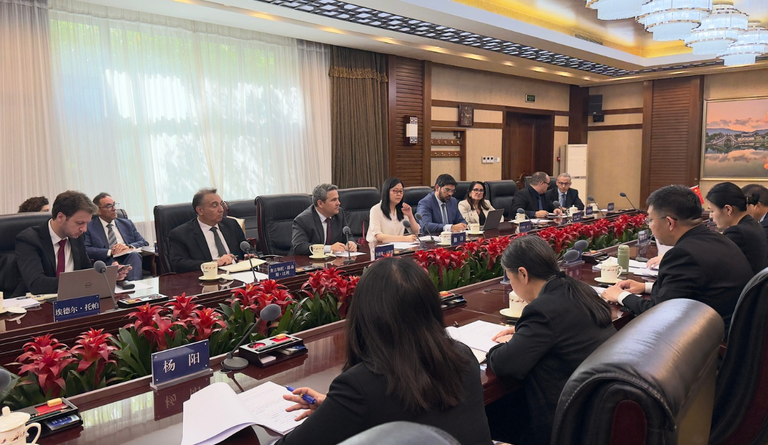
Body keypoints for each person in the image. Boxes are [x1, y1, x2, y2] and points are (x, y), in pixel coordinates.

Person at [276, 257, 493, 445]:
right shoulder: (463, 355)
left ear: (364, 315)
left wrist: (343, 407)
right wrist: (335, 408)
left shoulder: (360, 385)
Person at [485, 235, 615, 445]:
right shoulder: (579, 289)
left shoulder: (542, 310)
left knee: (494, 414)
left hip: (566, 424)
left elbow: (505, 364)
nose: (512, 287)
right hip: (597, 411)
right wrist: (524, 331)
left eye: (510, 280)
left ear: (523, 274)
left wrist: (500, 346)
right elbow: (562, 327)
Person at [603, 185, 753, 332]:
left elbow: (660, 314)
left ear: (669, 222)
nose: (649, 226)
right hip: (728, 331)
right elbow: (692, 289)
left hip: (707, 342)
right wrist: (645, 287)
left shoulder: (684, 254)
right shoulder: (717, 239)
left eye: (650, 220)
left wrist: (621, 296)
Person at [14, 191, 129, 295]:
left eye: (87, 223)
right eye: (80, 223)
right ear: (60, 217)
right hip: (38, 307)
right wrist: (79, 282)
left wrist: (108, 275)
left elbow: (86, 270)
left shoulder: (76, 236)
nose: (84, 229)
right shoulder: (29, 240)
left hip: (74, 300)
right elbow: (37, 284)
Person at [167, 188, 247, 273]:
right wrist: (214, 264)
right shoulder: (181, 234)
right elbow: (179, 264)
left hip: (238, 275)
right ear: (200, 210)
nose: (221, 210)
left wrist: (250, 256)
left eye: (221, 204)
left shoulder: (231, 225)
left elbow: (246, 247)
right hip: (208, 279)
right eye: (214, 205)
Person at [706, 182, 768, 275]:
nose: (710, 216)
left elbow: (717, 264)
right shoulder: (752, 224)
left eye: (712, 211)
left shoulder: (737, 232)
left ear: (728, 209)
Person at [84, 193, 148, 281]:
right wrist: (111, 252)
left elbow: (143, 242)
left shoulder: (127, 223)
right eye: (109, 206)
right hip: (106, 261)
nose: (114, 209)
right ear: (98, 211)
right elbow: (86, 250)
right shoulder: (89, 227)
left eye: (114, 205)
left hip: (127, 258)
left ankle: (134, 287)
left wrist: (128, 247)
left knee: (134, 255)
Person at [291, 183, 357, 256]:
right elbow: (300, 246)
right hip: (310, 263)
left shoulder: (339, 213)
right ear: (320, 203)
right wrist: (329, 249)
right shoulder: (303, 220)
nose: (338, 203)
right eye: (333, 200)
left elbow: (347, 235)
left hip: (334, 261)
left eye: (338, 199)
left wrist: (351, 243)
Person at [366, 178, 420, 246]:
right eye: (395, 191)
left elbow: (415, 232)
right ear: (386, 192)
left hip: (399, 248)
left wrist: (410, 215)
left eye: (401, 191)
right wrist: (404, 239)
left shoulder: (401, 209)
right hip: (379, 249)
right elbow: (378, 236)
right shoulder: (376, 210)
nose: (399, 194)